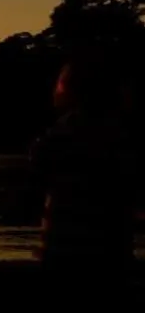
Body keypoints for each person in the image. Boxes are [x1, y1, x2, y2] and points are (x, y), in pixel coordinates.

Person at [29, 52, 140, 269]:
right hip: (111, 252)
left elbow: (39, 174)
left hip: (63, 251)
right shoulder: (123, 135)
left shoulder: (57, 137)